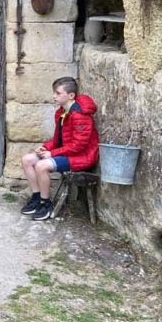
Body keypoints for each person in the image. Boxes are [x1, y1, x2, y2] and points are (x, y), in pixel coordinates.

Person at [20, 76, 99, 221]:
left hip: (81, 158)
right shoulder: (62, 112)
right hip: (66, 154)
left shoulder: (81, 116)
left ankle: (46, 204)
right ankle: (36, 198)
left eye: (58, 93)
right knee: (27, 159)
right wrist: (45, 147)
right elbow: (58, 139)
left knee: (41, 165)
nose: (54, 96)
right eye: (54, 93)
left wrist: (52, 153)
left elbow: (79, 145)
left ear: (70, 96)